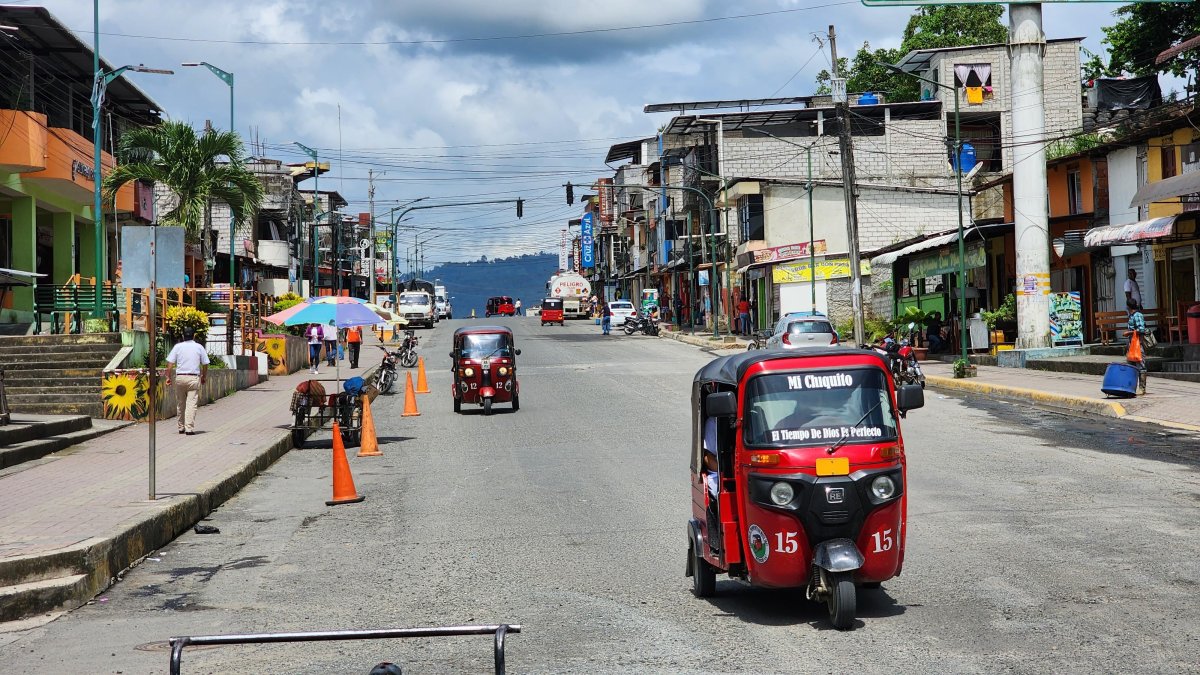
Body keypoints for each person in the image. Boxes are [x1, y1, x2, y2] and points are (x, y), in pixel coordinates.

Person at [165, 326, 209, 435]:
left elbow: (170, 363)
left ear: (183, 335)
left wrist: (168, 377)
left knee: (180, 403)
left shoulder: (178, 347)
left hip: (180, 377)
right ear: (194, 335)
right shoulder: (199, 347)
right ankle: (189, 428)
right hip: (193, 378)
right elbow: (205, 363)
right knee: (191, 404)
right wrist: (204, 376)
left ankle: (181, 427)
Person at [1126, 298, 1149, 396]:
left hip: (1138, 344)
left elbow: (1141, 329)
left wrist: (1129, 332)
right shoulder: (1131, 316)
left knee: (1140, 364)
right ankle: (1131, 387)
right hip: (1132, 344)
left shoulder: (1138, 315)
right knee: (1131, 365)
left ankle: (1142, 388)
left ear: (1128, 306)